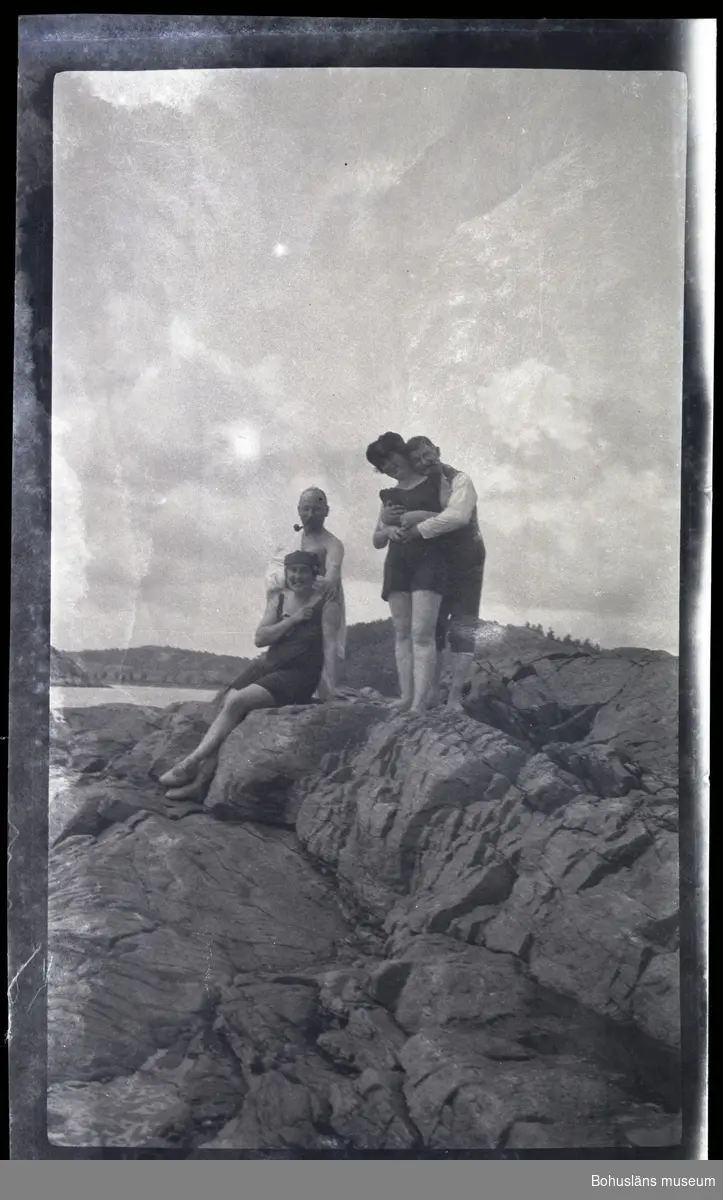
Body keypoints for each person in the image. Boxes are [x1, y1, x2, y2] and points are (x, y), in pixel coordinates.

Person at [159, 551, 326, 797]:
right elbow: (260, 638)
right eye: (293, 570)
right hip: (269, 664)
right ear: (286, 572)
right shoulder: (279, 599)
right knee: (228, 703)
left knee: (238, 702)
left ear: (314, 574)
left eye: (304, 571)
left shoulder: (324, 604)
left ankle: (191, 765)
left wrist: (327, 689)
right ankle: (200, 783)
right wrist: (293, 620)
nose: (297, 576)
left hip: (299, 674)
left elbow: (333, 648)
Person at [393, 436, 485, 710]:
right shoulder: (420, 486)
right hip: (436, 560)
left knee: (463, 627)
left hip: (467, 560)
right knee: (433, 627)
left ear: (437, 451)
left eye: (427, 454)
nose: (425, 462)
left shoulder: (460, 480)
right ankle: (431, 695)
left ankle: (455, 698)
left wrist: (419, 524)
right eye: (417, 460)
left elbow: (458, 517)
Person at [366, 432, 447, 712]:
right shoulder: (388, 496)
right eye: (382, 465)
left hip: (430, 560)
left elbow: (453, 518)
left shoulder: (435, 482)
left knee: (422, 633)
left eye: (391, 459)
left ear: (402, 453)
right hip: (397, 563)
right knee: (402, 632)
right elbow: (377, 540)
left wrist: (421, 516)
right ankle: (406, 696)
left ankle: (420, 702)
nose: (389, 467)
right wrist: (387, 528)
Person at [265, 487, 346, 699]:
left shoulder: (332, 543)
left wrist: (326, 580)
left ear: (326, 511)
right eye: (306, 509)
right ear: (298, 510)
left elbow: (334, 569)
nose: (310, 514)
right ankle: (281, 679)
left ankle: (329, 688)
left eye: (316, 509)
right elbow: (273, 572)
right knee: (284, 633)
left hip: (322, 597)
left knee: (328, 637)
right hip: (294, 598)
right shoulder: (289, 541)